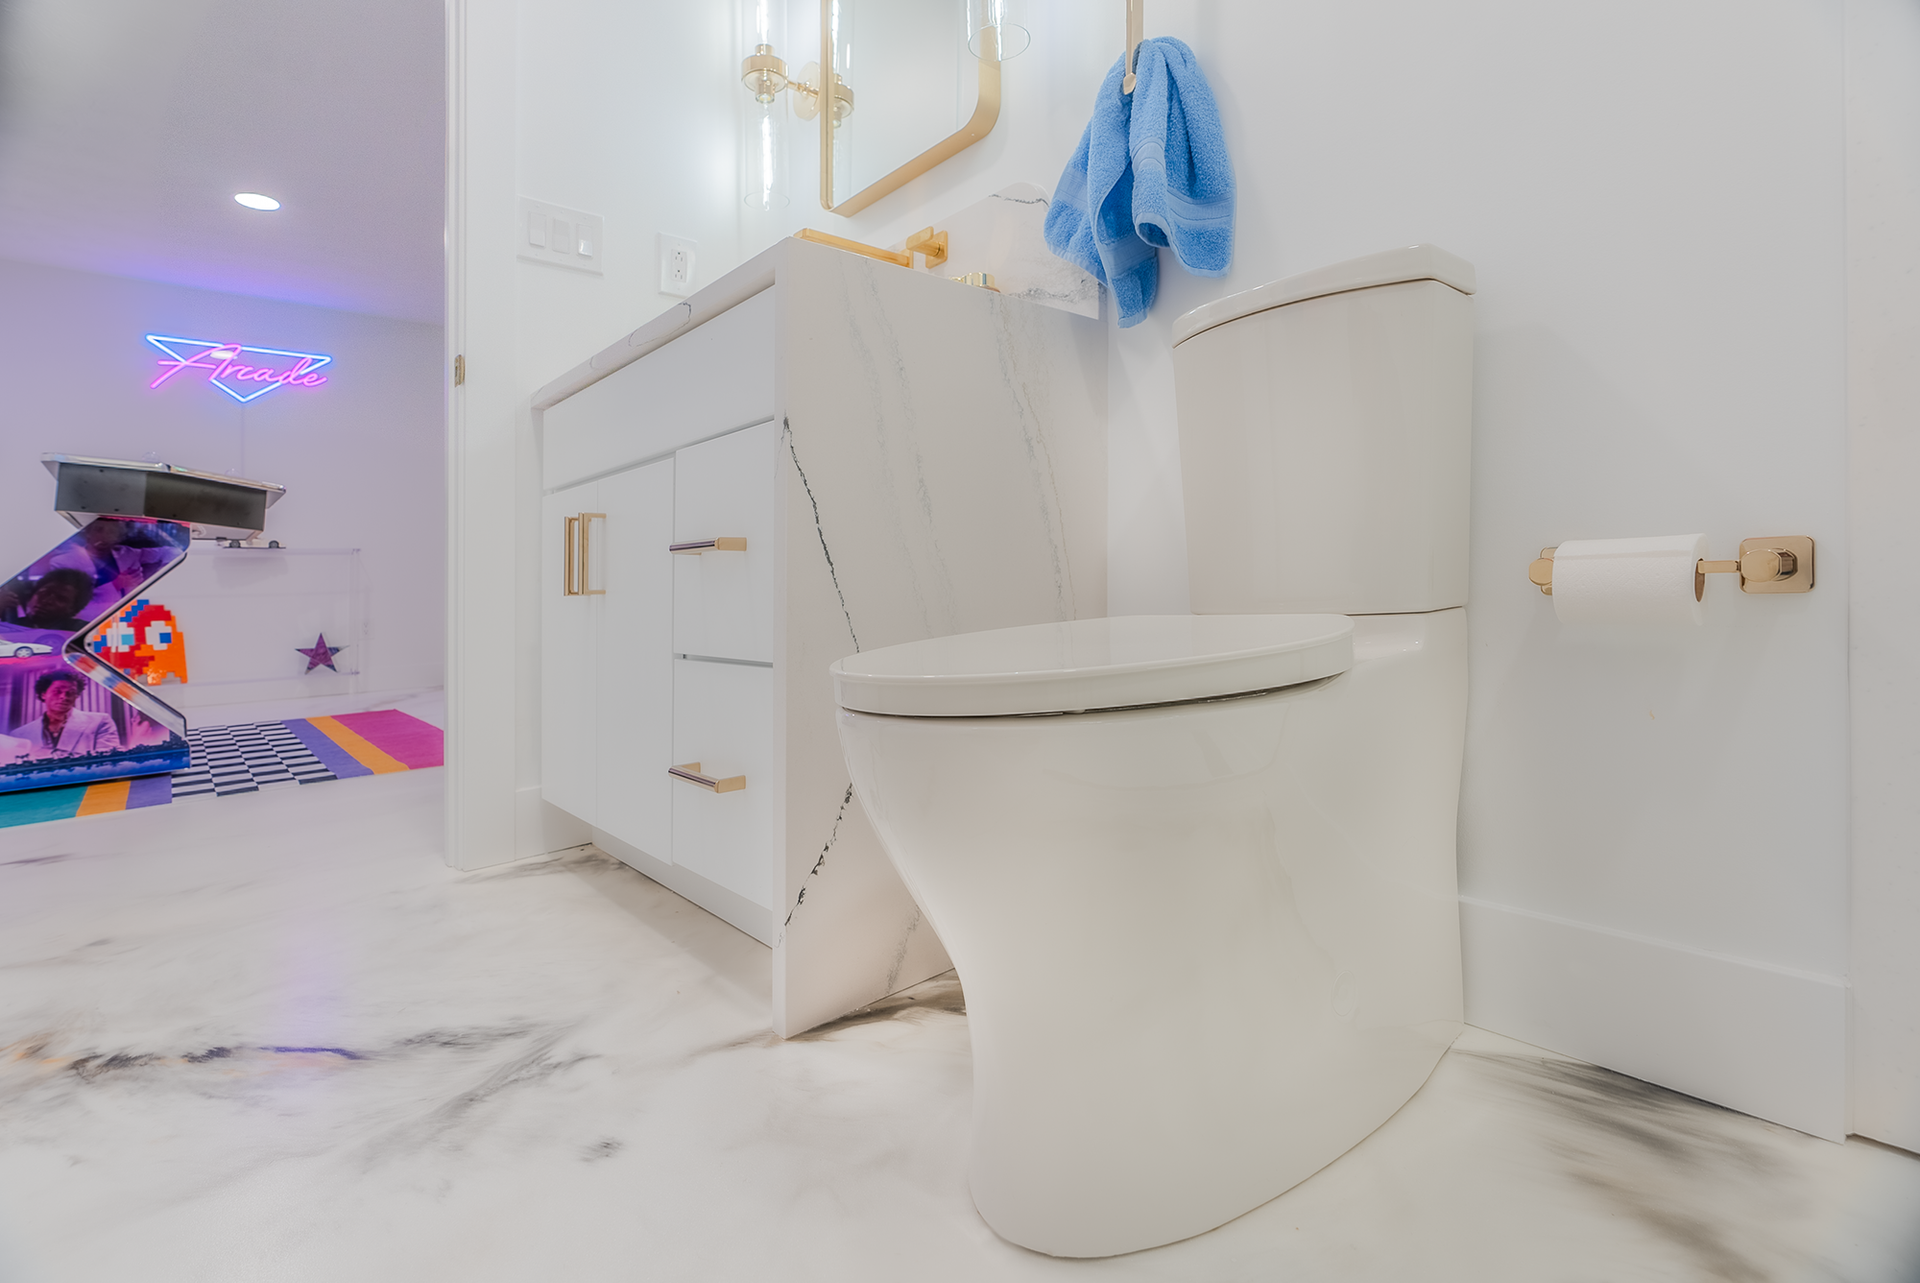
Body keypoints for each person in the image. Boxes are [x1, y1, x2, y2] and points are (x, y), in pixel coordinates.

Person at [10, 669, 119, 759]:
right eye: (57, 691)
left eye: (70, 692)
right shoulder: (19, 734)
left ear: (76, 696)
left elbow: (108, 760)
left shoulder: (100, 721)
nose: (63, 697)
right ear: (43, 694)